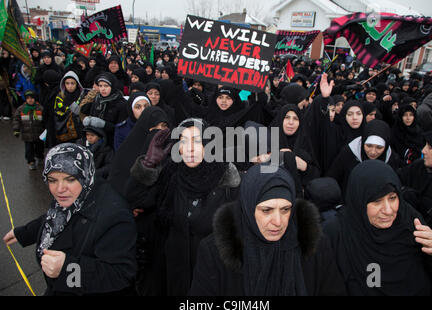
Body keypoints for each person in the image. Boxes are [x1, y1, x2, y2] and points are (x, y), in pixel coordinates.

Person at [189, 163, 346, 296]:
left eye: (285, 210)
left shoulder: (313, 245)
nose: (278, 222)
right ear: (248, 208)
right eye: (266, 210)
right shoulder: (216, 251)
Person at [3, 143, 137, 296]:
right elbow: (55, 216)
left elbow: (121, 274)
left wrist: (68, 269)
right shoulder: (75, 195)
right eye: (52, 180)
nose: (60, 189)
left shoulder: (115, 215)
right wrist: (26, 232)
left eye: (70, 179)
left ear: (85, 174)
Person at [126, 119, 241, 296]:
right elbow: (136, 200)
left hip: (210, 279)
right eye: (183, 141)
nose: (190, 148)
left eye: (196, 140)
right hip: (173, 274)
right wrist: (149, 165)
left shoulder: (225, 181)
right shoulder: (171, 174)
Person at [324, 160, 432, 296]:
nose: (388, 210)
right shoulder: (337, 233)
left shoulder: (410, 220)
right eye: (377, 201)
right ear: (359, 201)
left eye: (392, 198)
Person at [327, 119, 402, 195]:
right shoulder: (348, 153)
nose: (373, 152)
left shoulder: (392, 158)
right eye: (369, 146)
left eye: (379, 147)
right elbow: (333, 177)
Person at [12, 90, 45, 170]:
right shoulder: (21, 109)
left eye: (32, 98)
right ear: (25, 99)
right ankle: (31, 162)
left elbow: (45, 120)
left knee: (39, 147)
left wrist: (46, 130)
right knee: (29, 150)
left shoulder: (40, 108)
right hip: (27, 134)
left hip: (38, 133)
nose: (30, 100)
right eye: (28, 98)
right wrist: (16, 129)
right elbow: (16, 119)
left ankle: (40, 156)